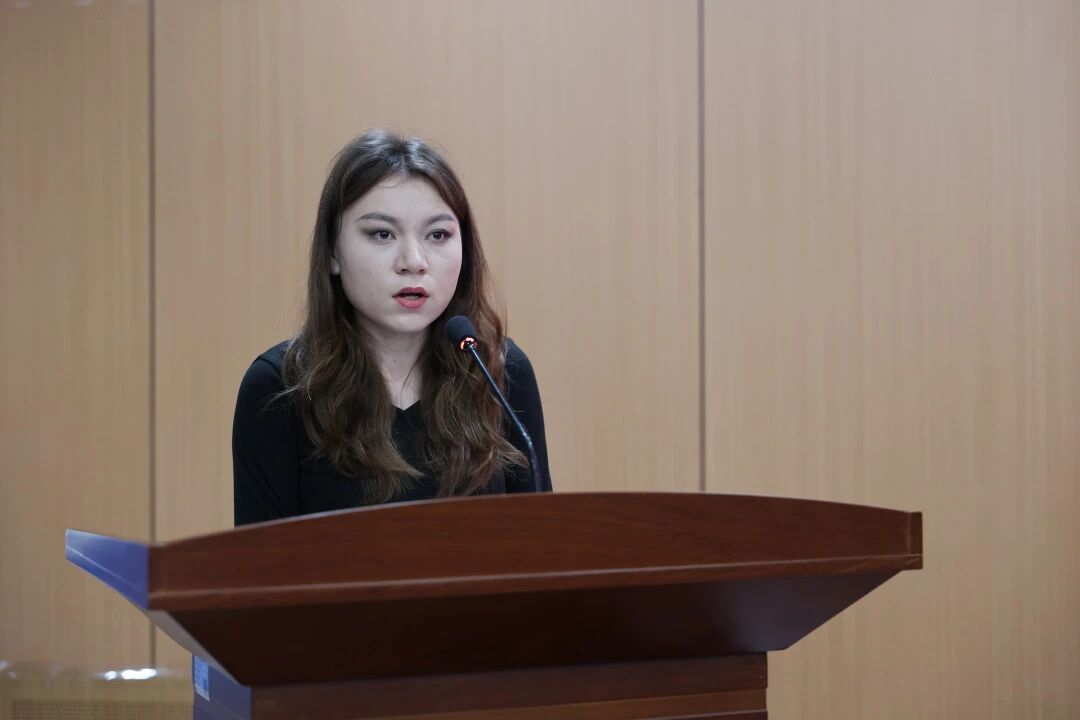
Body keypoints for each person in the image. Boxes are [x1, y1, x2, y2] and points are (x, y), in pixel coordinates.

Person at [232, 130, 552, 526]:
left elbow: (541, 544)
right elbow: (260, 561)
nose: (413, 261)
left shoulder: (498, 370)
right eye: (382, 234)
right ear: (332, 252)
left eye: (438, 235)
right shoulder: (277, 388)